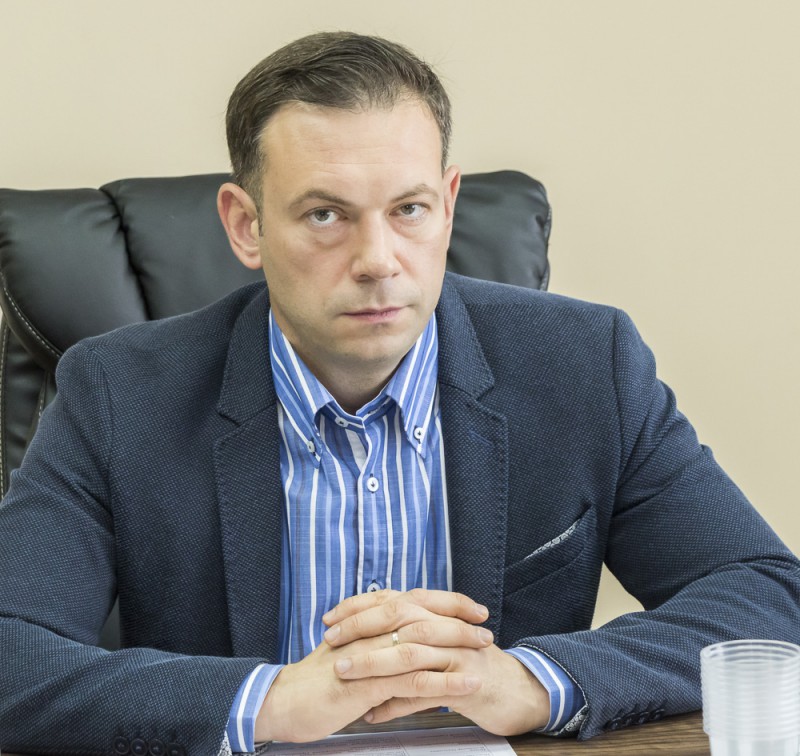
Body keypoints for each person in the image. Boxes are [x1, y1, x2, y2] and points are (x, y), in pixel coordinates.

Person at [1, 31, 798, 756]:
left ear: (448, 205)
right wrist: (270, 700)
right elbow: (10, 651)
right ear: (246, 225)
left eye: (409, 209)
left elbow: (767, 596)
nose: (378, 259)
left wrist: (532, 679)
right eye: (325, 215)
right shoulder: (117, 394)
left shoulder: (587, 366)